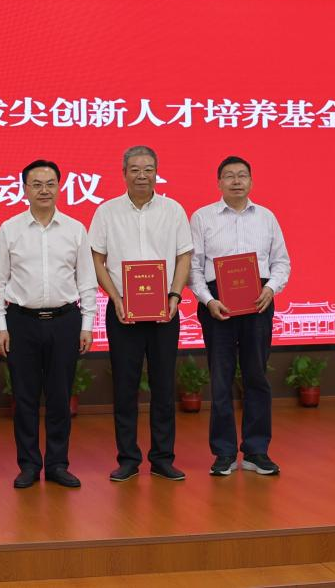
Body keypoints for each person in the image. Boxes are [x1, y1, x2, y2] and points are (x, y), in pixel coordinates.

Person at [0, 159, 98, 489]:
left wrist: (87, 324)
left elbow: (86, 280)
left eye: (50, 184)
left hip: (65, 321)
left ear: (59, 187)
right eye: (36, 184)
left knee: (60, 397)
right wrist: (0, 325)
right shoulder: (10, 228)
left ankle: (57, 464)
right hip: (22, 322)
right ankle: (28, 465)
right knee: (24, 398)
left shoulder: (75, 229)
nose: (44, 190)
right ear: (24, 189)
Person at [89, 145, 192, 483]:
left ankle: (162, 458)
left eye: (148, 169)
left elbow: (184, 256)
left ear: (156, 172)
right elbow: (96, 259)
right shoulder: (107, 212)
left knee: (163, 386)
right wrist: (115, 297)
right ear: (124, 174)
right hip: (123, 312)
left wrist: (175, 295)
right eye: (135, 169)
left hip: (165, 312)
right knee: (125, 386)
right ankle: (128, 458)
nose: (142, 175)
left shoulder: (173, 210)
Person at [189, 155, 291, 477]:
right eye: (229, 176)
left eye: (242, 175)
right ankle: (224, 453)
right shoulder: (202, 217)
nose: (236, 181)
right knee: (220, 379)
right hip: (216, 303)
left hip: (258, 301)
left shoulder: (266, 217)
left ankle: (256, 452)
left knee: (256, 377)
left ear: (251, 181)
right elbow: (193, 267)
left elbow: (281, 262)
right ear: (218, 182)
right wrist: (208, 300)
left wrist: (271, 288)